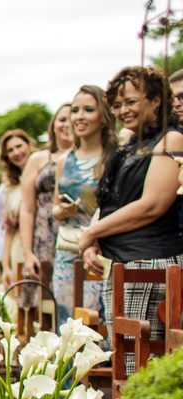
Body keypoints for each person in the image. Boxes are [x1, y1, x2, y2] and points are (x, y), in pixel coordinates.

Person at [80, 66, 183, 372]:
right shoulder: (127, 145)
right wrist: (93, 240)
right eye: (118, 104)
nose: (123, 110)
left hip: (148, 264)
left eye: (132, 102)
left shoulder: (172, 140)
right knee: (123, 359)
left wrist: (92, 232)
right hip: (120, 264)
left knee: (138, 365)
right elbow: (109, 201)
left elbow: (152, 204)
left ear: (155, 100)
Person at [51, 85, 118, 326]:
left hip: (101, 249)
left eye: (88, 110)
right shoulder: (63, 161)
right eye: (76, 110)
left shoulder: (115, 158)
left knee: (95, 319)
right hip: (67, 250)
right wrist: (63, 210)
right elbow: (55, 210)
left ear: (103, 116)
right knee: (66, 319)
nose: (79, 116)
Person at [17, 105, 73, 308]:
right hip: (45, 233)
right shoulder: (38, 159)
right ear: (53, 125)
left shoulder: (87, 158)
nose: (66, 124)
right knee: (44, 300)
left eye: (71, 118)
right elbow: (27, 209)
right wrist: (27, 251)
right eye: (62, 119)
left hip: (75, 229)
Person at [0, 129, 35, 288]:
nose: (16, 152)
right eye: (10, 150)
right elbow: (9, 230)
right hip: (19, 251)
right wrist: (6, 267)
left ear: (29, 145)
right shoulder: (10, 188)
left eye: (19, 146)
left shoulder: (45, 178)